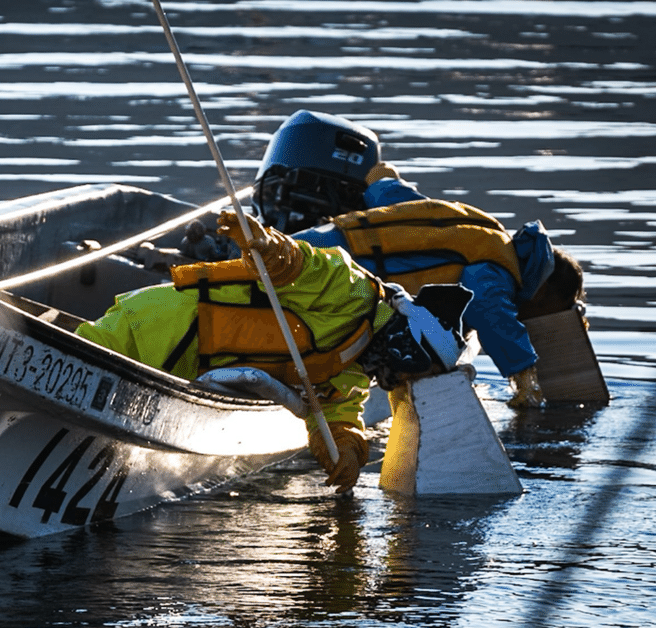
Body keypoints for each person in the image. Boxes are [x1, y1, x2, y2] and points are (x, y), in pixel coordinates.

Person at [76, 208, 465, 494]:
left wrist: (346, 447)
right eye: (414, 368)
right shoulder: (350, 286)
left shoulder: (354, 366)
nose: (400, 380)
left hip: (183, 378)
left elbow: (335, 410)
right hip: (150, 327)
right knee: (78, 366)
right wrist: (264, 243)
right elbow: (297, 264)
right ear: (407, 342)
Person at [248, 110, 586, 408]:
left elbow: (394, 196)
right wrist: (523, 376)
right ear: (541, 291)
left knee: (259, 261)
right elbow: (488, 309)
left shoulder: (479, 225)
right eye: (545, 313)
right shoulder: (499, 269)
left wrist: (379, 174)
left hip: (324, 242)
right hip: (341, 270)